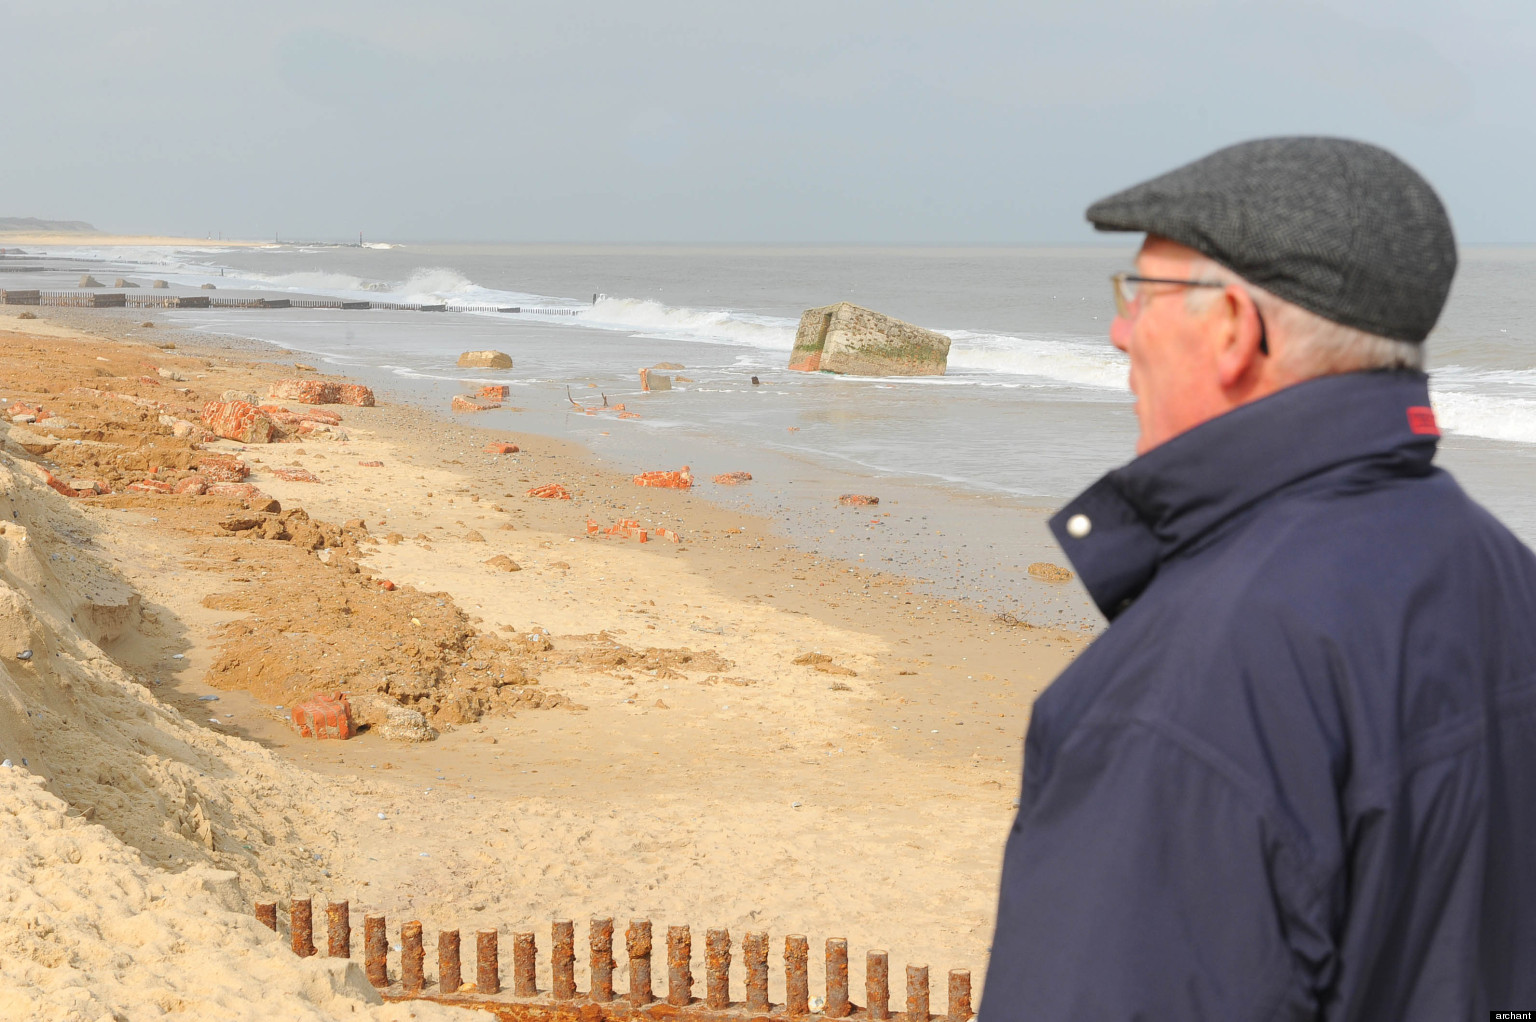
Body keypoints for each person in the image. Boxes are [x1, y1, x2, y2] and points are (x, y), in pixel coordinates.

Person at [980, 137, 1536, 1020]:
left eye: (1145, 294)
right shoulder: (1503, 574)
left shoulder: (1187, 689)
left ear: (1235, 328)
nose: (1121, 329)